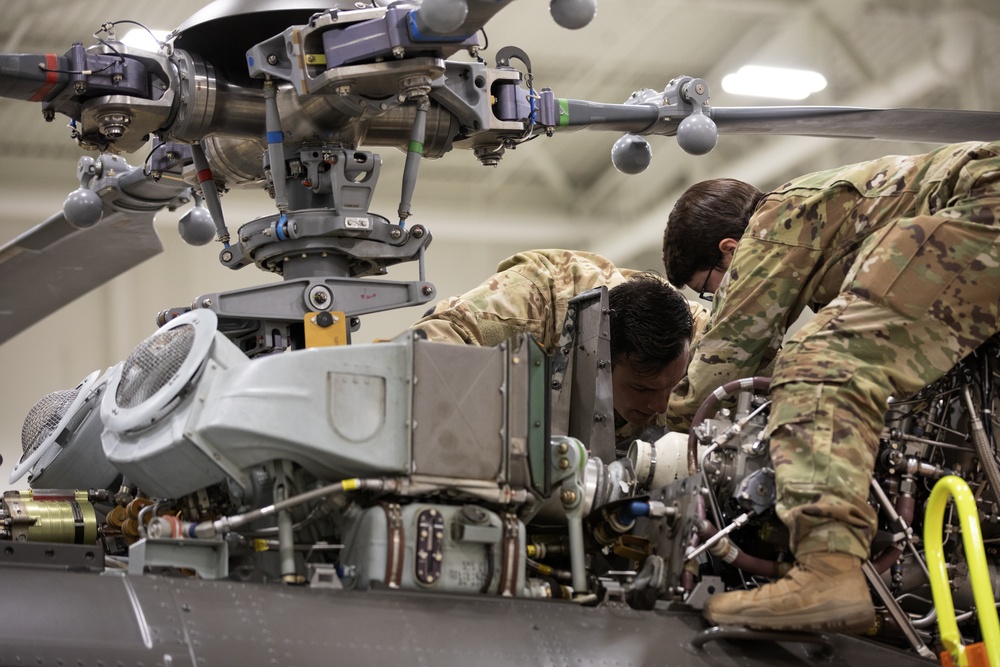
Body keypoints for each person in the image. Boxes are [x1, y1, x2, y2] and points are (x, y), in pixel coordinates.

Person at [661, 140, 1000, 632]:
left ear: (729, 251)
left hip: (986, 201)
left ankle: (826, 571)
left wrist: (652, 414)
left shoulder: (775, 223)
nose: (718, 300)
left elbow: (720, 371)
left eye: (711, 288)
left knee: (821, 358)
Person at [412, 249, 709, 439]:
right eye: (641, 388)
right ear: (600, 359)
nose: (660, 404)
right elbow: (426, 349)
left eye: (673, 386)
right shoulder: (533, 301)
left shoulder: (704, 341)